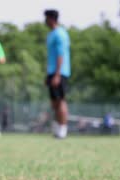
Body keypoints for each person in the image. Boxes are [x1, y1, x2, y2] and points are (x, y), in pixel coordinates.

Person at [44, 10, 71, 139]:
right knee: (54, 103)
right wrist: (49, 74)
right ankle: (57, 128)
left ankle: (63, 130)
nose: (45, 21)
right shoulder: (51, 34)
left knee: (60, 101)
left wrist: (57, 74)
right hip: (52, 72)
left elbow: (61, 55)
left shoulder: (60, 34)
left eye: (46, 18)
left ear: (52, 19)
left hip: (60, 72)